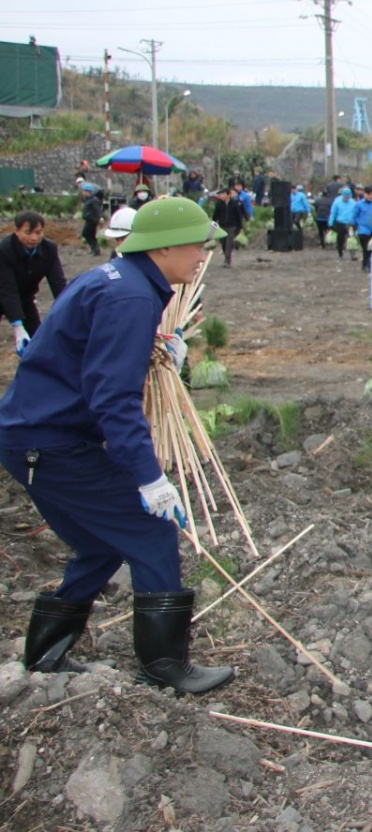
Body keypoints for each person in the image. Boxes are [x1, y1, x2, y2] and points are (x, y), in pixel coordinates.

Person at [0, 197, 235, 694]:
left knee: (101, 542)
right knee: (149, 531)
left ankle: (46, 652)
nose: (203, 254)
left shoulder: (118, 281)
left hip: (37, 437)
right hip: (49, 443)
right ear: (164, 245)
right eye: (197, 244)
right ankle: (165, 665)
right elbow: (115, 399)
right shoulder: (130, 297)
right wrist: (150, 479)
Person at [0, 211, 67, 354]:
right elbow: (8, 289)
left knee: (36, 339)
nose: (34, 238)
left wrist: (68, 309)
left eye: (38, 232)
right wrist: (17, 326)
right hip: (3, 291)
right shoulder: (5, 250)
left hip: (25, 297)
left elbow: (58, 283)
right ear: (17, 231)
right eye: (28, 232)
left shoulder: (49, 249)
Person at [209, 188, 249, 268]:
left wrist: (240, 227)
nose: (221, 196)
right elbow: (215, 217)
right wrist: (212, 227)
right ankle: (226, 258)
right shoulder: (219, 205)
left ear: (228, 195)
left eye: (223, 194)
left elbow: (238, 216)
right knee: (223, 244)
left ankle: (227, 261)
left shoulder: (234, 204)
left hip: (232, 227)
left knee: (229, 244)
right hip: (222, 226)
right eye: (220, 194)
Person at [353, 186, 372, 272]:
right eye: (367, 194)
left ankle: (367, 264)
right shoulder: (359, 205)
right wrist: (352, 227)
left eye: (371, 194)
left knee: (371, 249)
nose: (369, 196)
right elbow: (354, 216)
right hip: (363, 230)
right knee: (366, 248)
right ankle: (366, 264)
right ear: (364, 194)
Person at [328, 186, 357, 260]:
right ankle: (340, 253)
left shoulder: (353, 202)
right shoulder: (337, 202)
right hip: (340, 222)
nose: (347, 199)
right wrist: (330, 223)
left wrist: (356, 222)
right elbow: (333, 213)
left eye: (348, 197)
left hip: (350, 224)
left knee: (352, 239)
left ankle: (353, 255)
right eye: (345, 197)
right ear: (342, 195)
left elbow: (355, 213)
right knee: (340, 239)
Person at [79, 186, 104, 257]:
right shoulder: (88, 199)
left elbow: (97, 209)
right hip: (89, 219)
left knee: (86, 233)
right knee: (91, 235)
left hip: (92, 220)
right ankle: (95, 249)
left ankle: (95, 248)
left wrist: (100, 218)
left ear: (87, 192)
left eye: (84, 191)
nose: (83, 193)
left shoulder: (94, 200)